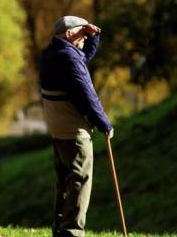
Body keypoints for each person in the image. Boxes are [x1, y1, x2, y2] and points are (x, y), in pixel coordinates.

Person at [38, 15, 114, 237]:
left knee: (64, 182)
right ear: (70, 33)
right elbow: (87, 95)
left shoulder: (50, 54)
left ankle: (60, 230)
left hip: (57, 128)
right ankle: (72, 232)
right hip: (74, 131)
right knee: (79, 181)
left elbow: (82, 57)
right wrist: (104, 124)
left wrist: (94, 37)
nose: (85, 37)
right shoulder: (69, 59)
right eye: (82, 33)